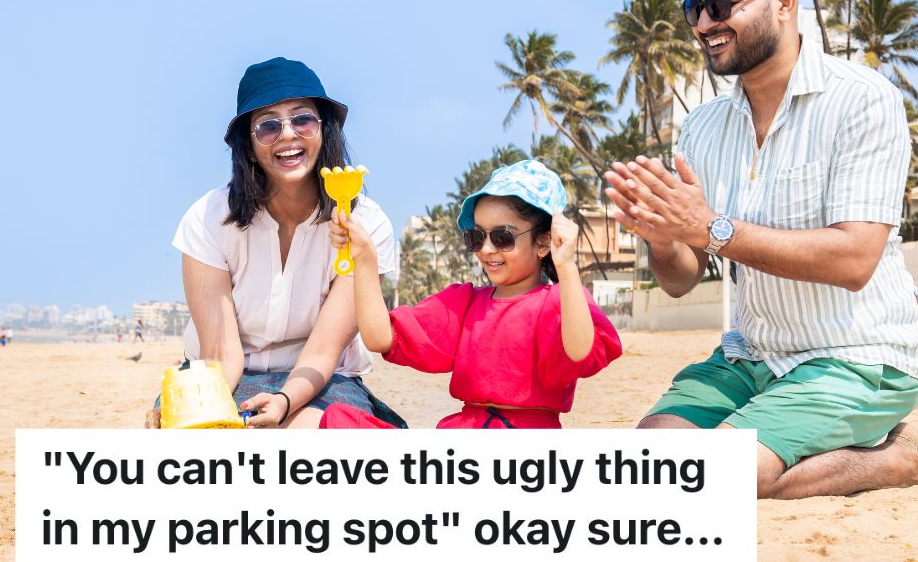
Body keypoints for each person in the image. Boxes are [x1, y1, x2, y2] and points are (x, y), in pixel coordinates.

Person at [603, 0, 918, 499]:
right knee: (649, 465)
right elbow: (682, 279)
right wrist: (663, 237)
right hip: (750, 354)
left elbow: (855, 260)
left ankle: (899, 459)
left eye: (720, 5)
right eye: (694, 8)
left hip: (858, 357)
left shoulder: (862, 99)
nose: (703, 24)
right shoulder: (703, 127)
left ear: (783, 2)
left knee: (721, 476)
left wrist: (709, 227)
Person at [144, 57, 403, 430]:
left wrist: (283, 402)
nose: (287, 135)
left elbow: (324, 351)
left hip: (323, 377)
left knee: (309, 436)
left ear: (325, 129)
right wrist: (210, 415)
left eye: (303, 119)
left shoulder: (365, 222)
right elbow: (220, 354)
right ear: (249, 146)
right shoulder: (208, 218)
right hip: (226, 372)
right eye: (268, 125)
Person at [320, 160, 622, 429]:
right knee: (339, 418)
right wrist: (365, 259)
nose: (486, 249)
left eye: (502, 237)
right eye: (476, 237)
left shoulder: (558, 300)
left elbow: (581, 353)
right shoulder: (465, 303)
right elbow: (380, 337)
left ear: (543, 242)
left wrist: (566, 265)